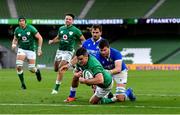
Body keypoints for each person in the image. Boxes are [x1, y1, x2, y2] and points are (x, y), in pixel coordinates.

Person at [64, 24, 104, 102]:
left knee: (98, 96)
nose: (94, 34)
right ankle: (71, 96)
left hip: (97, 69)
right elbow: (78, 56)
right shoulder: (86, 43)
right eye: (93, 32)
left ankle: (108, 95)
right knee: (75, 77)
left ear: (101, 33)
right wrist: (69, 65)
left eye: (97, 32)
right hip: (85, 67)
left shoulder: (103, 43)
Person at [49, 13, 85, 94]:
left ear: (72, 21)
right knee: (55, 69)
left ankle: (56, 89)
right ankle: (71, 65)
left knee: (60, 69)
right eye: (66, 19)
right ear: (64, 20)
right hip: (59, 51)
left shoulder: (76, 30)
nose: (67, 20)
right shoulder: (61, 28)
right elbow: (58, 37)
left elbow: (83, 39)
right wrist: (52, 41)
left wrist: (83, 45)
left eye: (69, 19)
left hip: (68, 51)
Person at [11, 16, 43, 89]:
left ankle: (37, 71)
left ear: (25, 22)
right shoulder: (17, 29)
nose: (21, 22)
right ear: (18, 22)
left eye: (23, 21)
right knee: (19, 66)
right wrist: (13, 44)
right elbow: (15, 39)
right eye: (20, 21)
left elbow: (40, 38)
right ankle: (22, 84)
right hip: (22, 49)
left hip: (31, 50)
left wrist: (39, 49)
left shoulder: (31, 28)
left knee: (31, 69)